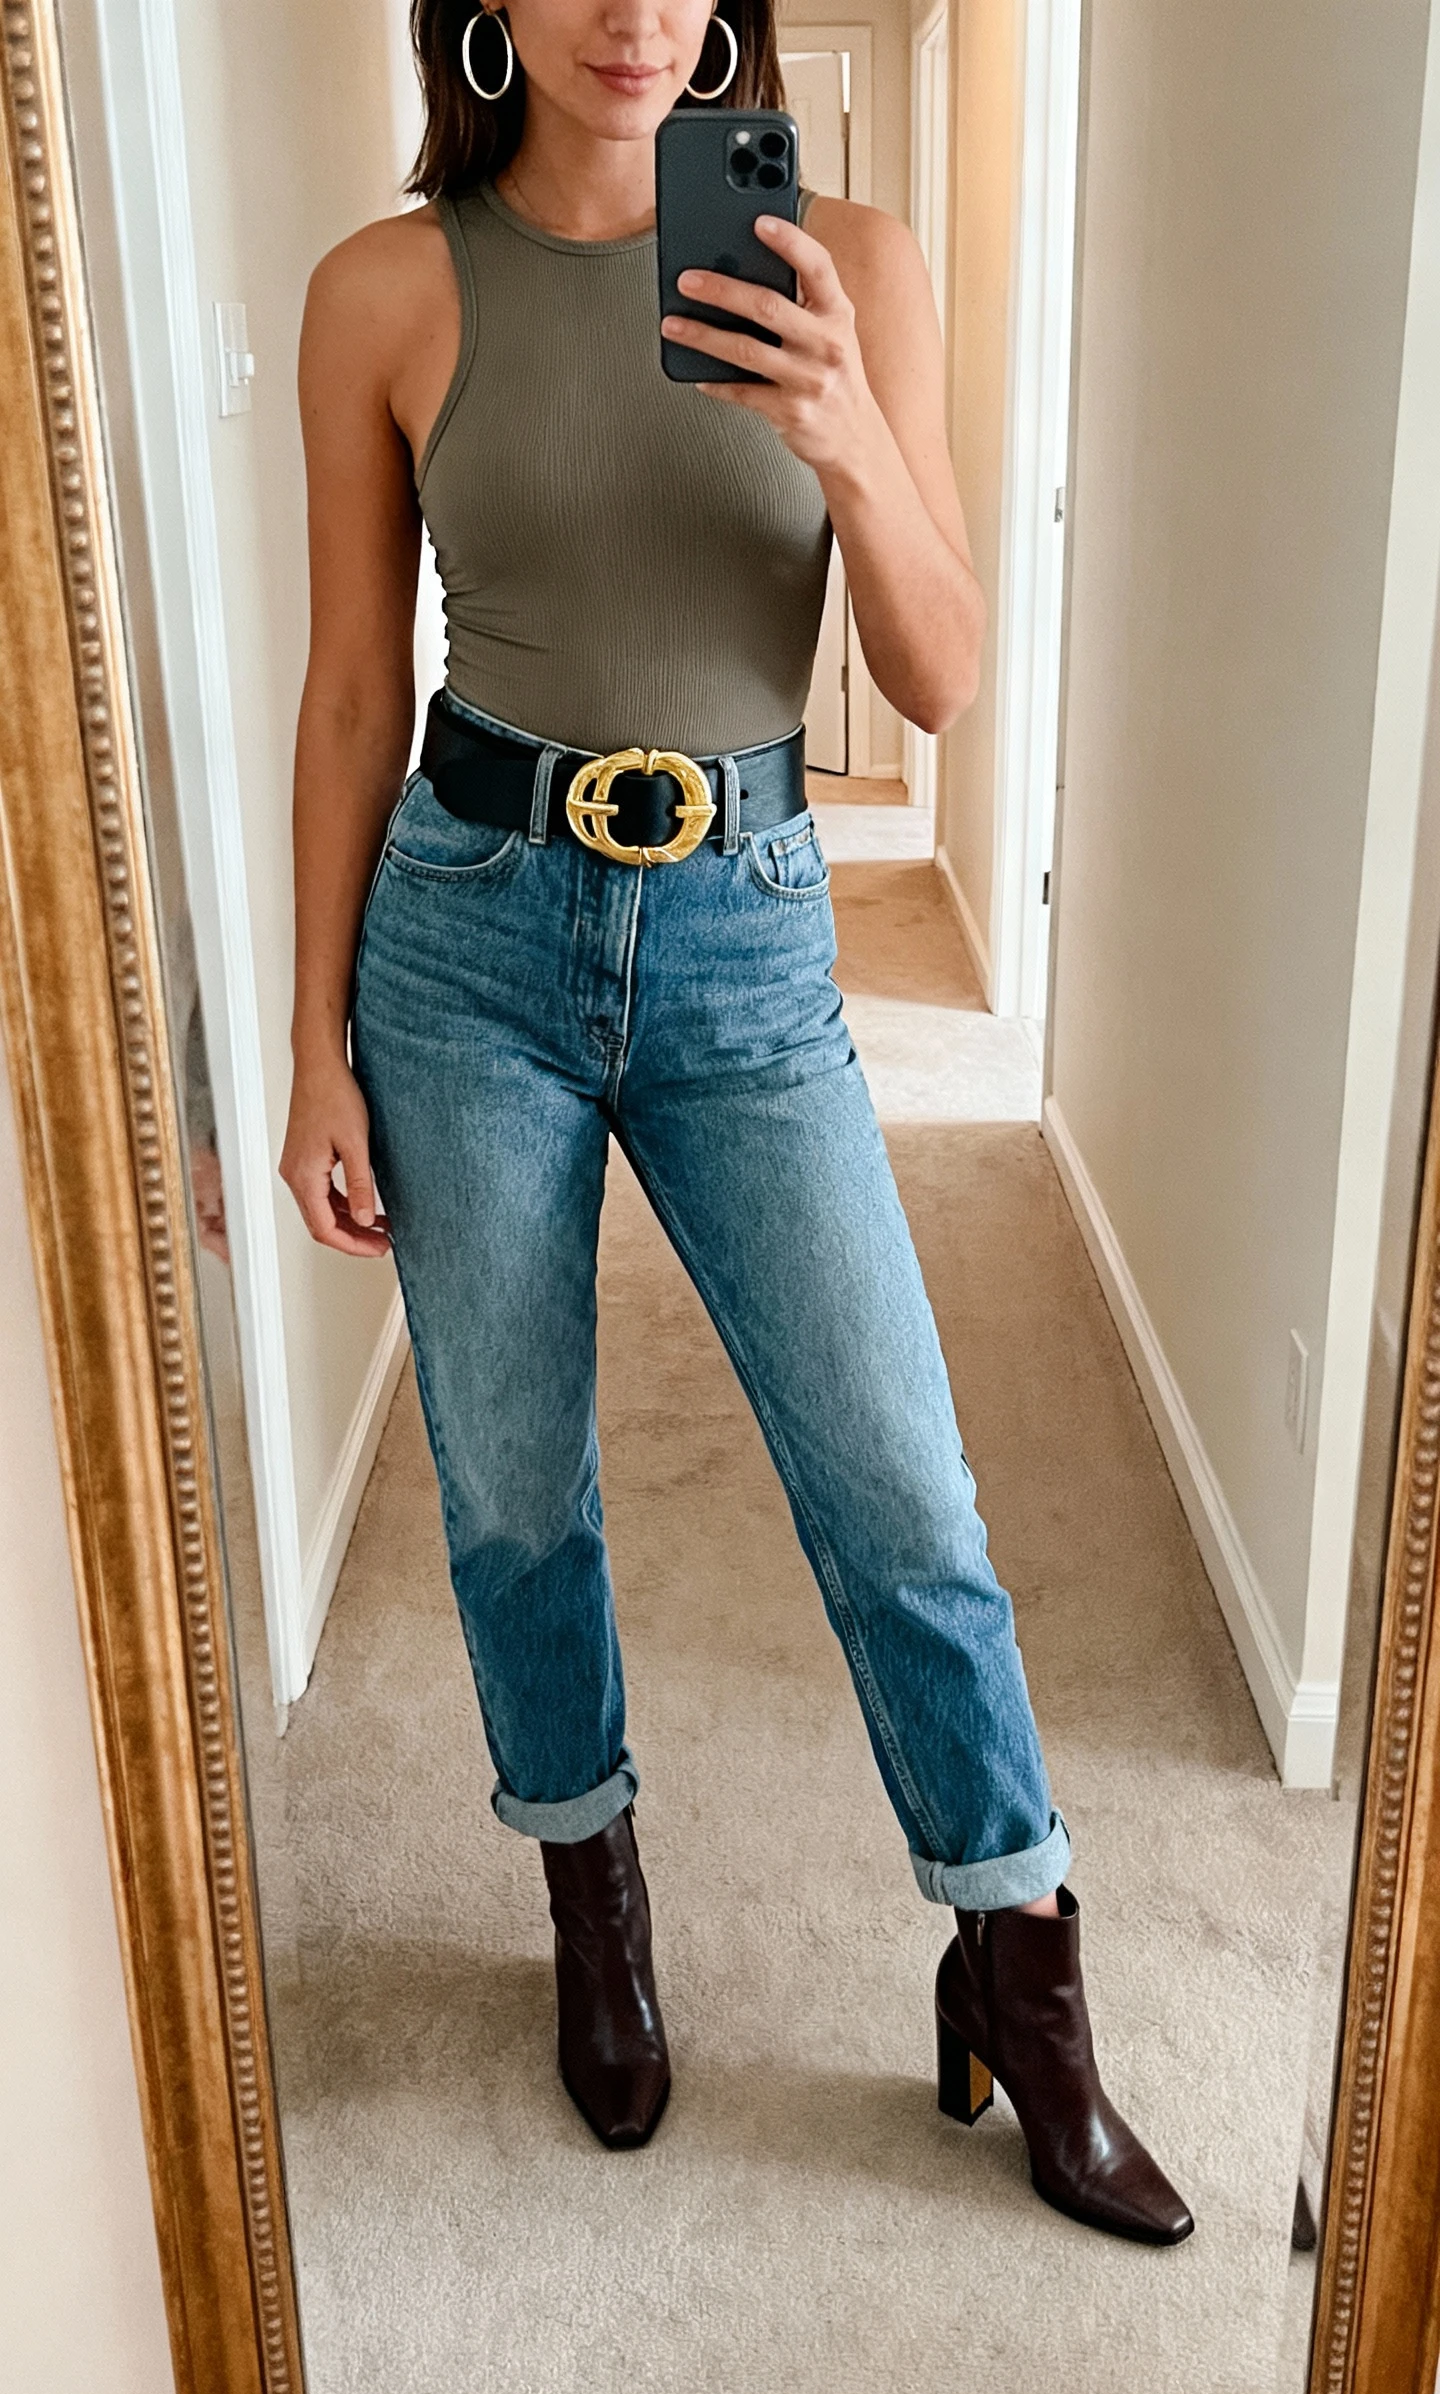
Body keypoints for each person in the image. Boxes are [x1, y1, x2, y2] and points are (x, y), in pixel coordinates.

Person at [280, 0, 1192, 2245]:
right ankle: (593, 1895)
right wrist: (312, 1043)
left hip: (752, 935)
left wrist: (849, 432)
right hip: (467, 938)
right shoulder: (386, 291)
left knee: (901, 1479)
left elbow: (950, 667)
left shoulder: (847, 259)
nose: (637, 14)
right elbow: (346, 686)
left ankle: (1020, 1960)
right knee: (508, 1484)